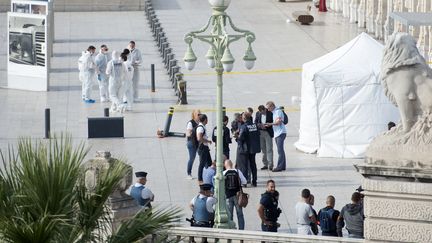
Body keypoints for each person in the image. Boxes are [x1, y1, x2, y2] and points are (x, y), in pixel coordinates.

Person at [237, 112, 260, 187]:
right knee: (253, 164)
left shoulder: (244, 127)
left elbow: (240, 138)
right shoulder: (255, 125)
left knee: (244, 166)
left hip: (245, 149)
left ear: (244, 118)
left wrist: (237, 137)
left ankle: (245, 182)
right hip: (253, 148)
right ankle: (254, 181)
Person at [223, 159, 247, 230]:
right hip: (237, 196)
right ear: (232, 164)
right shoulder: (237, 171)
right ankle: (241, 229)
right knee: (240, 214)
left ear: (225, 165)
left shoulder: (223, 173)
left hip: (228, 196)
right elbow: (245, 181)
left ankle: (231, 228)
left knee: (230, 214)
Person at [265, 101, 287, 172]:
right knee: (281, 150)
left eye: (268, 108)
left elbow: (278, 122)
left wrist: (270, 124)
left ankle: (279, 166)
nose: (268, 110)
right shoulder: (274, 112)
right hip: (277, 133)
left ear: (272, 106)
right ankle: (282, 165)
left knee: (280, 151)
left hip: (280, 133)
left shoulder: (278, 112)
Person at [255, 105, 274, 170]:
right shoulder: (258, 113)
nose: (261, 113)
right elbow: (255, 122)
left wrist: (268, 125)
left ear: (265, 110)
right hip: (260, 133)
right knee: (263, 149)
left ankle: (270, 164)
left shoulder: (270, 113)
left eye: (262, 112)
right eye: (260, 112)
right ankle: (265, 164)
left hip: (268, 132)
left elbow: (273, 122)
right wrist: (260, 125)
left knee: (269, 149)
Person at [196, 114, 212, 184]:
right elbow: (199, 138)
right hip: (202, 148)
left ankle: (209, 176)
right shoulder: (200, 128)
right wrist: (207, 141)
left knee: (209, 163)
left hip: (205, 147)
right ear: (205, 120)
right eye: (207, 119)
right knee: (202, 164)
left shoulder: (202, 126)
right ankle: (200, 179)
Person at [186, 109, 201, 179]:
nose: (199, 116)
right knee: (192, 158)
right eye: (198, 114)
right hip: (192, 143)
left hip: (198, 142)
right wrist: (195, 133)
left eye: (200, 114)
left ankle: (203, 173)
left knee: (203, 157)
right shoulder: (190, 123)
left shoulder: (200, 123)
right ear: (194, 115)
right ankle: (189, 173)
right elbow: (188, 134)